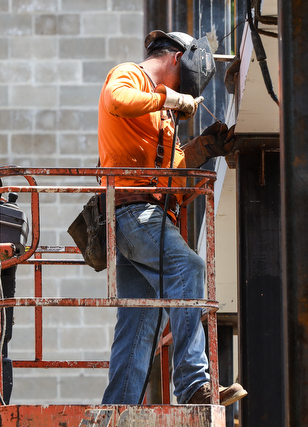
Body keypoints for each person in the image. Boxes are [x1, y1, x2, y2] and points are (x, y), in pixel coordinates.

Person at [98, 30, 247, 406]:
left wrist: (205, 146)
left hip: (146, 217)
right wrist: (169, 96)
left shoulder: (159, 111)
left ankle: (118, 412)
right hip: (134, 212)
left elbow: (170, 169)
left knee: (139, 323)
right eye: (184, 81)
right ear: (177, 59)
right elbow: (117, 100)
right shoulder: (129, 75)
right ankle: (194, 383)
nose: (184, 91)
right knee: (189, 268)